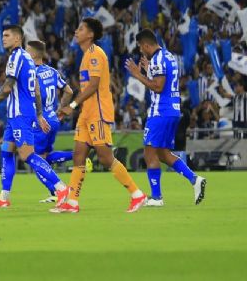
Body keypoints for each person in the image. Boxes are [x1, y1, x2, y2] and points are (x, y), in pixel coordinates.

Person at [53, 18, 146, 214]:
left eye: (81, 29)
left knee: (105, 157)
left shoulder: (96, 54)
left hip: (98, 112)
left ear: (90, 34)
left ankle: (137, 194)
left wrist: (72, 105)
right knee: (79, 155)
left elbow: (94, 85)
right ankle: (72, 202)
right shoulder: (85, 55)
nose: (76, 32)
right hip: (87, 112)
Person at [0, 26, 69, 209]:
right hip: (17, 115)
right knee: (7, 151)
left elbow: (8, 86)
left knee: (27, 155)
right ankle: (4, 196)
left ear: (17, 39)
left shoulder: (15, 57)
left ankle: (61, 187)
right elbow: (37, 90)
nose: (3, 38)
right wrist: (39, 114)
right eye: (3, 35)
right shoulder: (29, 60)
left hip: (20, 114)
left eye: (7, 35)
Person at [125, 29, 206, 206]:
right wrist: (149, 72)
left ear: (146, 45)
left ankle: (156, 197)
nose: (141, 51)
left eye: (140, 47)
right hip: (172, 110)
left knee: (149, 152)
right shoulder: (167, 56)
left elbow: (159, 87)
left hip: (160, 111)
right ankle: (195, 179)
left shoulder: (158, 59)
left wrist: (138, 74)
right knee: (162, 153)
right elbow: (162, 81)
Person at [27, 40, 77, 203]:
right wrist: (60, 110)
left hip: (40, 122)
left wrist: (40, 115)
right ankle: (77, 156)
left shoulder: (31, 74)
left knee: (35, 160)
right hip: (53, 119)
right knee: (46, 157)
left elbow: (36, 95)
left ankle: (58, 191)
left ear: (34, 54)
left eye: (27, 52)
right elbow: (68, 91)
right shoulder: (52, 71)